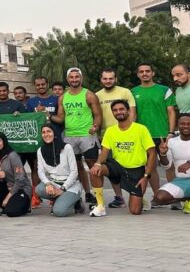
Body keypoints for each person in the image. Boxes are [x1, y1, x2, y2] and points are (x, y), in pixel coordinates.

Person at [89, 100, 156, 216]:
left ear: (128, 111)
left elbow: (152, 153)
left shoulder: (141, 129)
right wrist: (98, 163)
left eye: (121, 109)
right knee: (95, 171)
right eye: (115, 110)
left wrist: (146, 176)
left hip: (136, 170)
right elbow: (104, 152)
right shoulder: (110, 130)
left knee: (135, 211)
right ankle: (100, 206)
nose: (118, 112)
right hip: (117, 167)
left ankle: (140, 199)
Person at [51, 67, 102, 209]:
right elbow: (61, 119)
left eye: (77, 77)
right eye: (71, 77)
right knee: (75, 168)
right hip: (69, 136)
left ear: (81, 78)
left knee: (93, 166)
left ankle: (98, 199)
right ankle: (78, 196)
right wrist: (49, 116)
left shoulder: (89, 95)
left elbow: (98, 115)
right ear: (67, 80)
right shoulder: (63, 97)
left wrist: (95, 126)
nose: (74, 79)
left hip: (87, 135)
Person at [132, 62, 176, 207]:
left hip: (163, 135)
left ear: (153, 73)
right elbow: (133, 114)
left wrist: (170, 132)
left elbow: (171, 111)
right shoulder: (133, 92)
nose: (145, 73)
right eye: (141, 71)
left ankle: (176, 197)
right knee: (150, 168)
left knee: (169, 166)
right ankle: (158, 197)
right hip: (144, 136)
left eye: (147, 71)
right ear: (138, 74)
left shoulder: (164, 90)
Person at [95, 68, 136, 208]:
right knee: (112, 170)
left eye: (111, 78)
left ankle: (136, 195)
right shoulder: (97, 95)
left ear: (116, 79)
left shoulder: (125, 92)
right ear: (101, 80)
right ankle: (119, 198)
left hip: (127, 136)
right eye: (105, 78)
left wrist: (130, 132)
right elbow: (96, 116)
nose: (108, 81)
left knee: (131, 168)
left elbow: (132, 113)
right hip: (107, 138)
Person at [35, 124, 84, 217]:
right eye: (43, 132)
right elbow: (40, 171)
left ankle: (76, 200)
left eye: (49, 131)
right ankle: (62, 200)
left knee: (59, 212)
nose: (46, 134)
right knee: (39, 189)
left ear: (55, 133)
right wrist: (48, 183)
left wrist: (63, 189)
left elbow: (74, 172)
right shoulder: (40, 150)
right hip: (55, 184)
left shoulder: (67, 148)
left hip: (70, 186)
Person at [0, 132, 32, 217]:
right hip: (8, 187)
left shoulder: (13, 156)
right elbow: (0, 180)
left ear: (4, 141)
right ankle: (8, 207)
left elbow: (20, 180)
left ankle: (24, 206)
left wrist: (7, 198)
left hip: (21, 189)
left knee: (12, 213)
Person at [154, 113, 190, 212]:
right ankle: (187, 199)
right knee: (159, 198)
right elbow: (167, 166)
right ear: (178, 126)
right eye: (182, 124)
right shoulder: (172, 142)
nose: (186, 126)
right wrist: (163, 154)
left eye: (188, 124)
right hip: (181, 181)